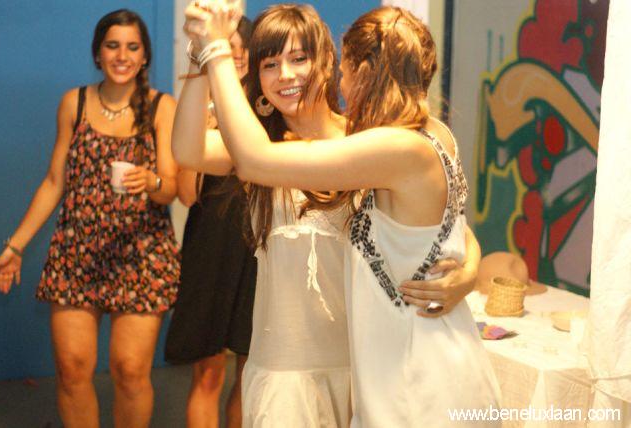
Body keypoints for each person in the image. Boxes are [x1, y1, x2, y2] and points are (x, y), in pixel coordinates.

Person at [176, 3, 484, 427]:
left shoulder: (367, 142)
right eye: (270, 64)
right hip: (288, 372)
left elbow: (444, 222)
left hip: (366, 365)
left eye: (299, 58)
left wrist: (469, 271)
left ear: (329, 62)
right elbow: (188, 150)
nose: (286, 75)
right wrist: (200, 57)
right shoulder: (266, 145)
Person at [0, 9, 180, 428]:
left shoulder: (162, 107)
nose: (122, 55)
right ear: (98, 53)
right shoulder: (73, 103)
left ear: (145, 56)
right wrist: (15, 246)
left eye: (132, 47)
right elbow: (53, 182)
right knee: (72, 370)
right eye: (113, 45)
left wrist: (151, 180)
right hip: (76, 253)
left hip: (142, 255)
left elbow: (171, 188)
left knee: (130, 371)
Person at [164, 16, 255, 428]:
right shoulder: (199, 106)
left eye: (243, 45)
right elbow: (186, 192)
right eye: (227, 45)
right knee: (209, 372)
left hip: (260, 247)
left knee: (252, 374)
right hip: (210, 246)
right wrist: (206, 126)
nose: (237, 53)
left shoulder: (271, 110)